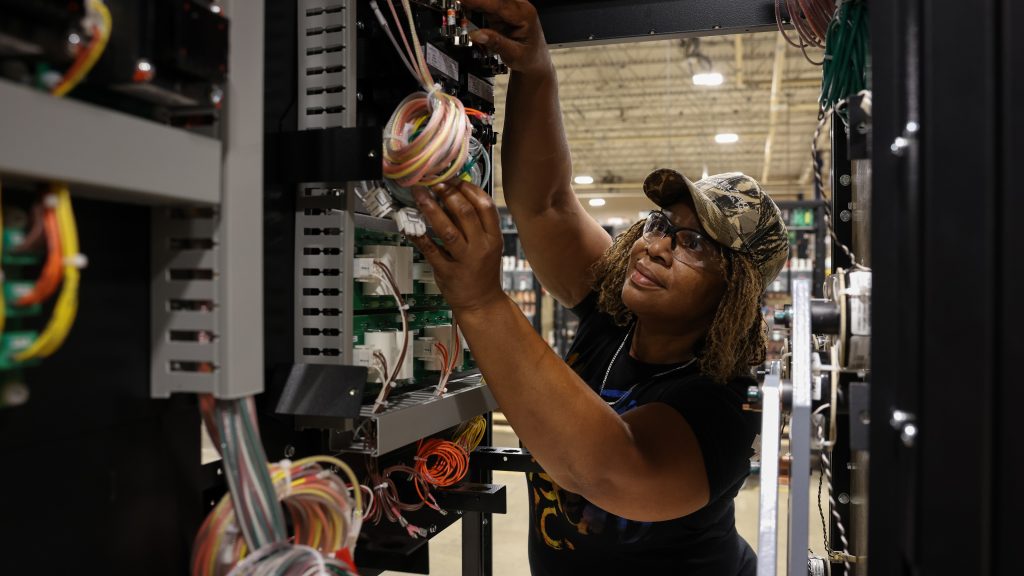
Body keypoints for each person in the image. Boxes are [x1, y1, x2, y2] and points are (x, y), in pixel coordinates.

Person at [406, 1, 790, 573]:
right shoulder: (619, 313)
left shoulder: (721, 403)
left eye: (694, 245)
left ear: (731, 293)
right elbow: (547, 206)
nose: (657, 245)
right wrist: (535, 69)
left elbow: (607, 468)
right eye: (662, 225)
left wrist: (481, 302)